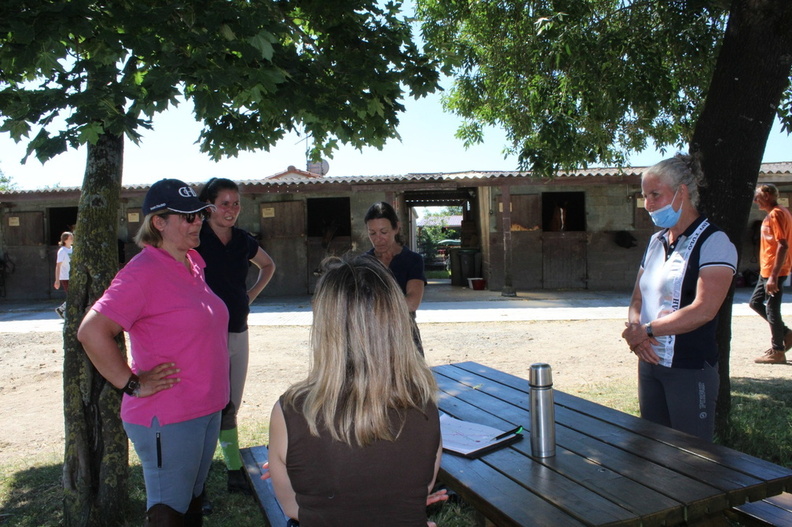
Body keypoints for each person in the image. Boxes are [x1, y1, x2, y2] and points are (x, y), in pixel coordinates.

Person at [77, 178, 229, 526]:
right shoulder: (143, 272)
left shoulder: (193, 262)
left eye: (200, 216)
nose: (198, 223)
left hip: (206, 408)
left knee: (191, 504)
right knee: (167, 513)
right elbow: (91, 331)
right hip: (169, 414)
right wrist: (130, 383)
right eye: (187, 217)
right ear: (158, 223)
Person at [264, 255, 445, 526]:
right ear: (396, 323)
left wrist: (293, 465)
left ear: (325, 327)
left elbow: (294, 508)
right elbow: (422, 487)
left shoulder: (290, 412)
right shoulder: (425, 406)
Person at [621, 154, 737, 442]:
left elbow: (703, 310)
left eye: (655, 195)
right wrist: (636, 330)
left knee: (691, 458)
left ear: (682, 192)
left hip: (689, 367)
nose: (648, 204)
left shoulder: (715, 242)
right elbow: (638, 297)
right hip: (649, 362)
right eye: (645, 196)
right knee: (652, 451)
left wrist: (644, 331)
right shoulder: (656, 241)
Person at [196, 177, 276, 498]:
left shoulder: (243, 240)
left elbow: (268, 265)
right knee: (204, 407)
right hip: (204, 336)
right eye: (224, 203)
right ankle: (197, 481)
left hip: (237, 331)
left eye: (236, 203)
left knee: (229, 405)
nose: (231, 209)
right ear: (209, 206)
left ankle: (233, 472)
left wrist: (248, 296)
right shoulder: (194, 237)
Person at [364, 201, 427, 354]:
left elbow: (412, 303)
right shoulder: (363, 263)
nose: (378, 238)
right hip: (371, 337)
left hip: (404, 334)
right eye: (372, 233)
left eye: (383, 232)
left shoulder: (412, 260)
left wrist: (372, 307)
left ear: (396, 228)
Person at [749, 183, 792, 364]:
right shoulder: (772, 215)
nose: (755, 200)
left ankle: (778, 351)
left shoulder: (777, 214)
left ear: (767, 195)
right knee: (755, 303)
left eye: (757, 196)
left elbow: (783, 245)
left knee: (771, 308)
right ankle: (786, 334)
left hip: (775, 270)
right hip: (766, 270)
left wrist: (773, 276)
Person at [53, 231, 73, 318]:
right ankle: (62, 309)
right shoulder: (62, 251)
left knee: (74, 294)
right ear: (65, 240)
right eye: (70, 237)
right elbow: (58, 266)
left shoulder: (72, 249)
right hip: (65, 277)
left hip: (73, 276)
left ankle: (64, 310)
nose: (72, 239)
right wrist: (57, 280)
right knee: (71, 295)